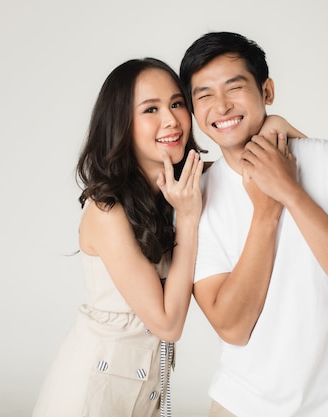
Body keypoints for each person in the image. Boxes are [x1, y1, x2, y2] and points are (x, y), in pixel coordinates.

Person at [31, 57, 301, 417]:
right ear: (122, 123)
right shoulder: (106, 211)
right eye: (151, 109)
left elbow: (249, 164)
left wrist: (276, 125)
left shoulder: (184, 182)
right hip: (91, 393)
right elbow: (167, 323)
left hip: (145, 390)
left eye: (177, 104)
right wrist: (188, 219)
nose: (171, 120)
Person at [179, 32, 328, 417]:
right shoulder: (198, 198)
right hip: (238, 405)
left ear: (268, 91)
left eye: (234, 87)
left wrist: (291, 193)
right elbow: (233, 327)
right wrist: (267, 210)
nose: (221, 105)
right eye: (204, 95)